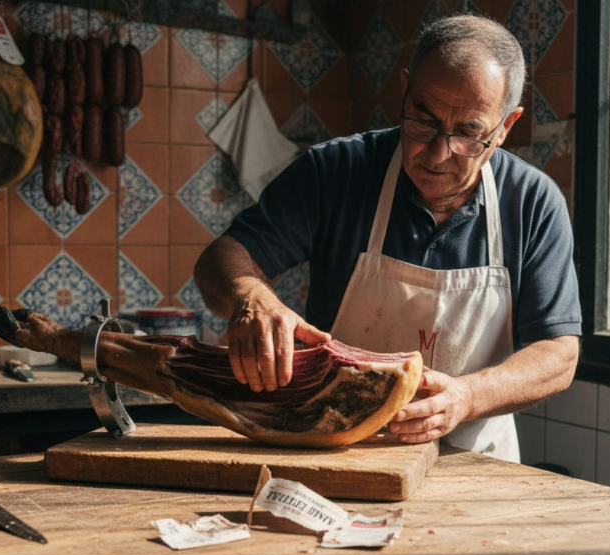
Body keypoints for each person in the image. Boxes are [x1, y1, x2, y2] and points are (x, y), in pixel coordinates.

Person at [194, 15, 581, 462]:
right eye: (423, 120)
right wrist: (250, 297)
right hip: (335, 452)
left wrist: (466, 397)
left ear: (505, 126)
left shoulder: (532, 200)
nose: (438, 153)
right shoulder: (336, 172)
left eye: (469, 134)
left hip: (477, 464)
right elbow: (222, 256)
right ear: (405, 90)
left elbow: (558, 353)